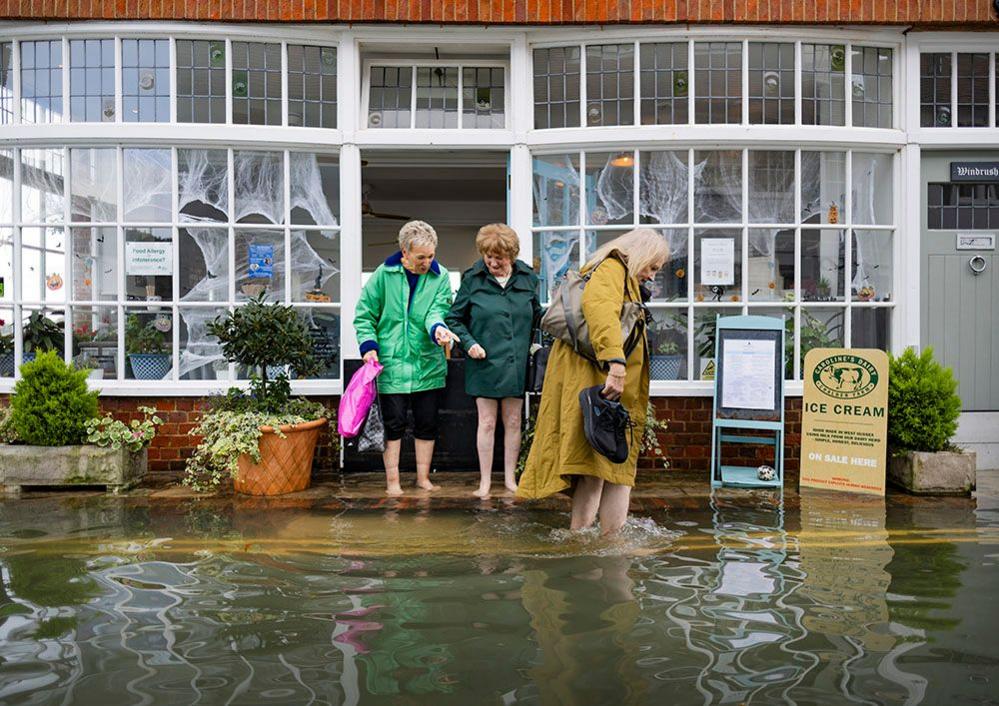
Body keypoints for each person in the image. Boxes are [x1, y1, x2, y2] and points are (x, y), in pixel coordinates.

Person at [516, 228, 669, 535]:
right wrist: (615, 363)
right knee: (613, 468)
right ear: (638, 254)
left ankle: (583, 538)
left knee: (597, 467)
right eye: (651, 267)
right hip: (601, 382)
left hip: (594, 382)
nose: (652, 276)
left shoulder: (611, 271)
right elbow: (599, 311)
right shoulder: (613, 269)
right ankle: (608, 543)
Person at [353, 220, 459, 496]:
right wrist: (368, 346)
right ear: (405, 252)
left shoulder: (440, 277)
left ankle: (423, 479)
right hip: (390, 362)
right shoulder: (383, 275)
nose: (427, 262)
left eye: (431, 256)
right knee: (394, 424)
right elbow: (365, 315)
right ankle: (393, 483)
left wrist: (439, 331)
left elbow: (437, 312)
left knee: (427, 423)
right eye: (421, 257)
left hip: (427, 363)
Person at [446, 224, 541, 497]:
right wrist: (469, 343)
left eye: (499, 257)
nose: (492, 262)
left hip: (515, 362)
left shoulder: (528, 279)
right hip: (483, 361)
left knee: (512, 421)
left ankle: (510, 479)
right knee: (487, 422)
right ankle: (485, 482)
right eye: (488, 256)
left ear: (511, 255)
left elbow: (537, 316)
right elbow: (454, 318)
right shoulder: (473, 279)